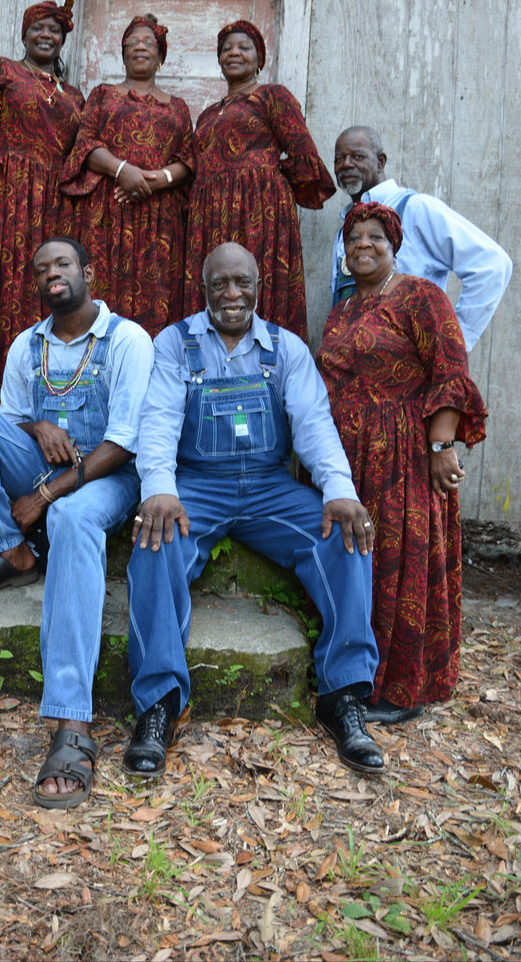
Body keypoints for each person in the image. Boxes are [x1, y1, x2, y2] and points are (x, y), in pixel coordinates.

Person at [124, 242, 384, 778]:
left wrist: (340, 490)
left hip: (269, 488)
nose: (232, 294)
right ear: (205, 288)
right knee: (155, 542)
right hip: (200, 485)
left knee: (344, 536)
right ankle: (158, 703)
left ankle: (343, 696)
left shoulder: (283, 349)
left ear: (259, 287)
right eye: (220, 283)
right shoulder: (176, 344)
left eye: (242, 282)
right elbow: (158, 419)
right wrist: (159, 487)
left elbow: (313, 423)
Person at [0, 237, 153, 808]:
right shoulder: (27, 344)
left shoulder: (125, 339)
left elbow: (126, 442)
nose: (51, 275)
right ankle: (9, 550)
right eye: (41, 269)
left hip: (107, 475)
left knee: (75, 518)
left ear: (87, 270)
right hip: (44, 466)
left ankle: (71, 723)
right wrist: (37, 429)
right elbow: (4, 422)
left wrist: (46, 497)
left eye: (62, 264)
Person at [318, 203, 487, 724]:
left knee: (399, 562)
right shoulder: (344, 308)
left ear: (394, 248)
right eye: (353, 239)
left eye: (375, 239)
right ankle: (354, 674)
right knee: (356, 562)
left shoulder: (421, 296)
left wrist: (440, 446)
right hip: (349, 457)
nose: (363, 246)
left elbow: (450, 371)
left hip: (404, 457)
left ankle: (401, 690)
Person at [0, 0, 85, 403]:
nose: (46, 35)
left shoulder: (75, 96)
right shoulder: (1, 70)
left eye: (55, 31)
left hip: (51, 207)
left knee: (37, 292)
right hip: (4, 196)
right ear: (24, 34)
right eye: (38, 28)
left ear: (63, 41)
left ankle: (29, 401)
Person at [185, 22, 334, 339]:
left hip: (258, 209)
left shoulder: (273, 96)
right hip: (209, 214)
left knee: (257, 283)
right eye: (227, 49)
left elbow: (302, 151)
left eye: (244, 47)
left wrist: (267, 183)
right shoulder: (208, 114)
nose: (234, 53)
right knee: (215, 285)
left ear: (260, 59)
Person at [61, 14, 194, 337]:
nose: (140, 47)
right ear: (122, 55)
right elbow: (85, 145)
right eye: (132, 42)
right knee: (102, 292)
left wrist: (153, 180)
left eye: (149, 42)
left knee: (158, 294)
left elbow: (188, 160)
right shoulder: (103, 94)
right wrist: (123, 172)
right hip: (107, 214)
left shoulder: (177, 107)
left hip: (160, 219)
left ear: (161, 56)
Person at [330, 125, 512, 349]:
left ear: (380, 162)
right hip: (355, 372)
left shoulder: (416, 209)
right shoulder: (344, 230)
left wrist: (453, 345)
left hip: (409, 371)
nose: (346, 164)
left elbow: (492, 265)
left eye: (357, 156)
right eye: (339, 159)